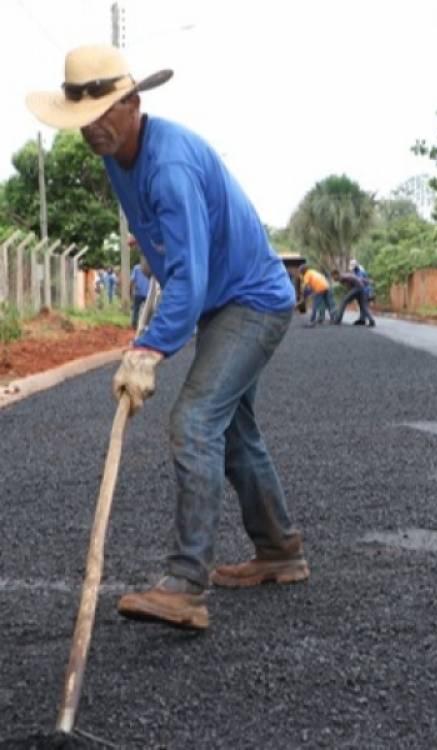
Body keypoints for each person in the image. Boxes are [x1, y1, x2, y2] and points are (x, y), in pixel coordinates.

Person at [27, 44, 309, 630]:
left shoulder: (171, 164)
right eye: (83, 119)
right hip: (222, 301)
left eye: (105, 112)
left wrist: (148, 351)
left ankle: (185, 583)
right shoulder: (115, 155)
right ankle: (280, 550)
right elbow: (177, 254)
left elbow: (192, 279)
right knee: (234, 433)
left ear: (133, 103)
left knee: (196, 421)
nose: (93, 128)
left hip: (250, 303)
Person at [130, 256, 151, 330]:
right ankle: (142, 325)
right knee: (145, 310)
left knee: (137, 310)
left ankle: (136, 325)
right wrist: (132, 291)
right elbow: (132, 281)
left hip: (144, 292)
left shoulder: (137, 268)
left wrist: (132, 291)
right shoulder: (149, 268)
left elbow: (132, 280)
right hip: (144, 293)